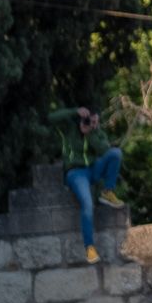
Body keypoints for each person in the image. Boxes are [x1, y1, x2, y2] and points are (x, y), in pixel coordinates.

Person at [50, 103, 122, 262]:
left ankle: (107, 191)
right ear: (83, 118)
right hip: (76, 173)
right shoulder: (70, 129)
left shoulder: (96, 132)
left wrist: (91, 134)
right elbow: (51, 118)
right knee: (88, 204)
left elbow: (105, 151)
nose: (93, 125)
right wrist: (74, 111)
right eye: (90, 121)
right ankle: (89, 248)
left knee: (116, 153)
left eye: (96, 122)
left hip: (93, 169)